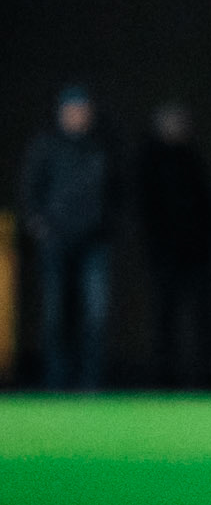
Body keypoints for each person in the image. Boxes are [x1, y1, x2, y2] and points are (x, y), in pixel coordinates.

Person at [18, 85, 119, 390]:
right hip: (57, 242)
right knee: (56, 314)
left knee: (95, 315)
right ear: (61, 113)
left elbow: (119, 191)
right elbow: (29, 188)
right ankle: (56, 382)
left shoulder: (101, 147)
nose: (78, 117)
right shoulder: (45, 146)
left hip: (94, 243)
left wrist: (110, 225)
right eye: (72, 110)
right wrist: (38, 224)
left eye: (83, 110)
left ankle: (91, 383)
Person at [135, 103, 211, 388]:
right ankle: (163, 377)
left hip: (196, 252)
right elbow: (147, 209)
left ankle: (205, 376)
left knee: (202, 319)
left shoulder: (193, 159)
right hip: (166, 252)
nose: (178, 129)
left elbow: (207, 207)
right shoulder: (151, 161)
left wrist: (207, 243)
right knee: (164, 318)